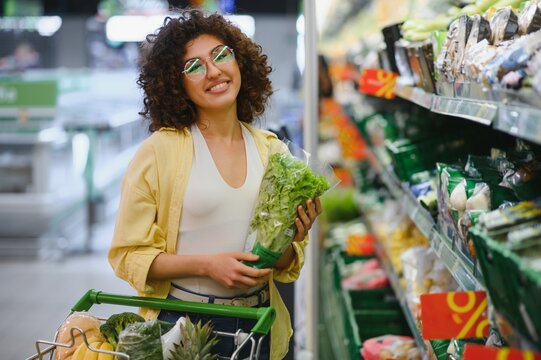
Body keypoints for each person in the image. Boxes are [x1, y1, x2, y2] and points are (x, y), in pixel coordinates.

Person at [108, 9, 322, 360]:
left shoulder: (272, 150)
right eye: (194, 66)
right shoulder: (160, 151)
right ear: (176, 84)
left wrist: (292, 235)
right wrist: (207, 265)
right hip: (183, 326)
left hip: (258, 324)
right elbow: (127, 254)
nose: (214, 71)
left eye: (221, 55)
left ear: (240, 62)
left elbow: (281, 263)